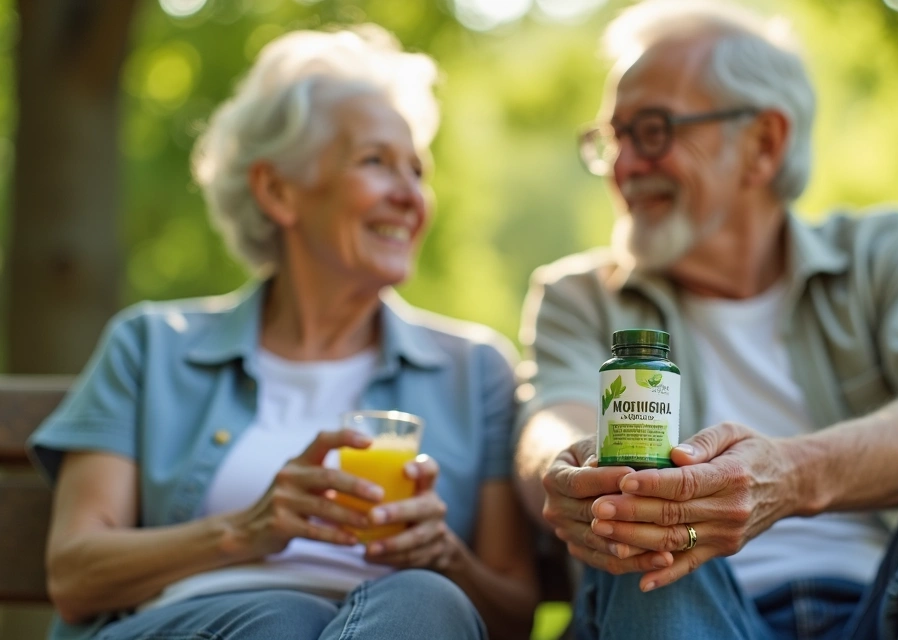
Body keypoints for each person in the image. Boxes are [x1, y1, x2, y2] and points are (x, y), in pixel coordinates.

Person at [513, 2, 898, 638]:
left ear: (764, 144)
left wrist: (795, 475)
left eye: (655, 131)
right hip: (689, 611)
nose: (624, 166)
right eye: (614, 138)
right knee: (648, 538)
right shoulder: (579, 294)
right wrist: (576, 471)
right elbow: (555, 420)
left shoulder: (887, 253)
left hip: (890, 610)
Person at [28, 25, 537, 640]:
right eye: (376, 162)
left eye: (417, 171)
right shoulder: (151, 346)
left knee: (426, 600)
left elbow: (512, 617)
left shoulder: (475, 370)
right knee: (283, 617)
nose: (410, 197)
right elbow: (75, 575)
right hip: (188, 624)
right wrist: (247, 531)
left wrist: (445, 557)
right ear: (277, 190)